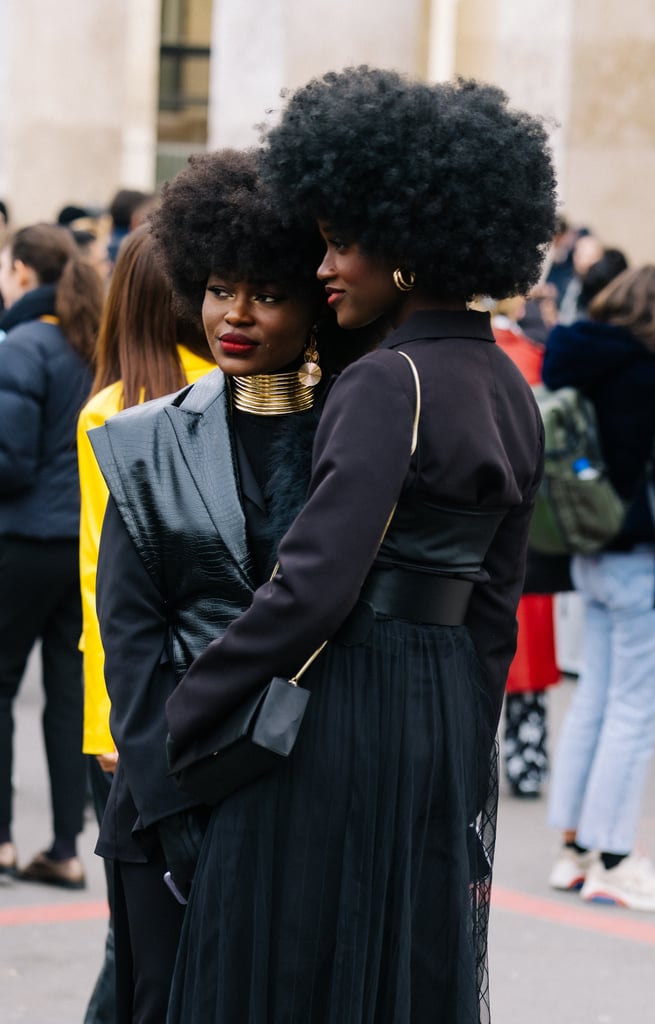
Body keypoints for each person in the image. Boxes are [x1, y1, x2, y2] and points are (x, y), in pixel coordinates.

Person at [164, 67, 557, 1023]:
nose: (325, 266)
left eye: (342, 243)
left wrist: (192, 705)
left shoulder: (387, 382)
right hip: (438, 708)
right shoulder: (507, 384)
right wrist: (467, 733)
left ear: (409, 248)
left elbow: (311, 587)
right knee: (396, 959)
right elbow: (496, 604)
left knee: (287, 954)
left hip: (348, 702)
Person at [89, 149, 368, 1024]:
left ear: (314, 302)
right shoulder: (140, 440)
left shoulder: (354, 441)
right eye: (216, 288)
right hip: (163, 794)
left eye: (265, 293)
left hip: (306, 797)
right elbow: (129, 640)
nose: (233, 315)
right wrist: (168, 810)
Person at [77, 222, 215, 1024]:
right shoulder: (243, 387)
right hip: (212, 703)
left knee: (133, 937)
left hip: (124, 712)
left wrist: (105, 725)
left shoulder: (111, 408)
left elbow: (103, 581)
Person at [545, 265, 655, 912]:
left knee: (595, 702)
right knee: (635, 711)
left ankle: (574, 850)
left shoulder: (579, 359)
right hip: (648, 560)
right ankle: (615, 860)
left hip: (589, 551)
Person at [0, 223, 102, 886]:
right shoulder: (94, 343)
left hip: (22, 539)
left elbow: (9, 461)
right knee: (71, 700)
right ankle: (67, 846)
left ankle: (2, 839)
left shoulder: (25, 345)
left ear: (23, 274)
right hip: (83, 544)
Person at [490, 297, 562, 798]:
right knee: (529, 645)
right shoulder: (535, 357)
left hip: (471, 519)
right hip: (528, 521)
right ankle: (527, 759)